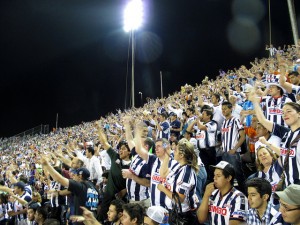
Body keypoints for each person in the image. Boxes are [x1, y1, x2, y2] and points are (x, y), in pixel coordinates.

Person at [248, 90, 300, 187]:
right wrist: (255, 102)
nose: (285, 114)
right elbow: (263, 120)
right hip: (289, 185)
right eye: (283, 112)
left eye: (289, 111)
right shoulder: (286, 134)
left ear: (299, 113)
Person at [158, 138, 199, 224]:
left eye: (175, 150)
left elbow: (179, 199)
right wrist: (167, 157)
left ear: (181, 155)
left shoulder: (187, 173)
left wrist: (163, 189)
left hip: (183, 215)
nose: (173, 151)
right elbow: (163, 174)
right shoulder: (178, 166)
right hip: (174, 211)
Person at [96, 126, 131, 223]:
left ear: (129, 151)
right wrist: (99, 129)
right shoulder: (115, 156)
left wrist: (126, 190)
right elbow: (104, 143)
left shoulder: (133, 165)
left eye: (123, 149)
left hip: (120, 200)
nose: (120, 150)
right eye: (119, 148)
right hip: (107, 196)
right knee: (102, 218)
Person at [197, 161, 248, 225]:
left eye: (218, 175)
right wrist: (206, 196)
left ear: (229, 178)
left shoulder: (239, 198)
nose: (214, 178)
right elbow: (201, 219)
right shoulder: (212, 193)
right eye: (214, 175)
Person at [221, 101, 246, 190]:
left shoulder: (235, 120)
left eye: (225, 109)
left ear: (231, 109)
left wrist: (235, 149)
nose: (223, 111)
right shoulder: (224, 122)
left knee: (238, 176)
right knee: (228, 177)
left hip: (233, 153)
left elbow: (243, 136)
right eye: (222, 109)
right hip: (225, 153)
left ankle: (245, 195)